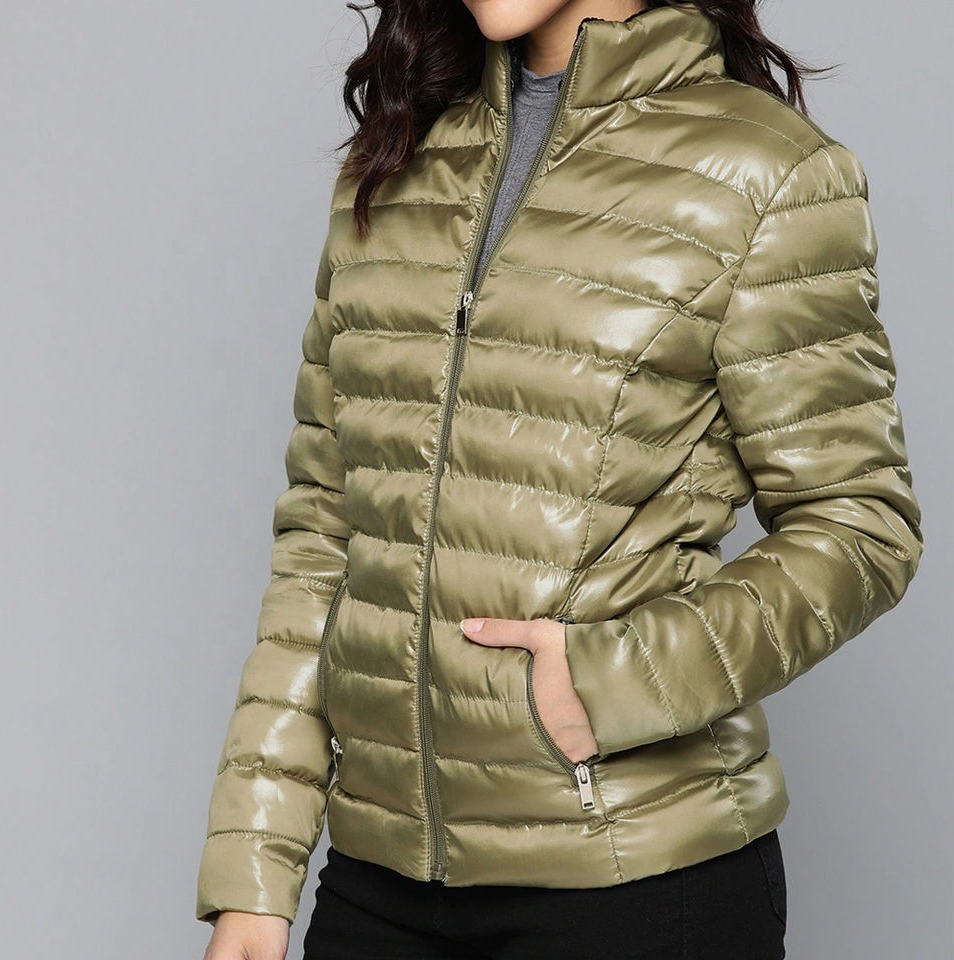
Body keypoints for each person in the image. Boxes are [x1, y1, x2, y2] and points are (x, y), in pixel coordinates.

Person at [196, 1, 925, 958]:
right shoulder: (400, 155)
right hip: (381, 877)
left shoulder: (765, 172)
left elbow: (860, 525)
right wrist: (256, 868)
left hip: (633, 875)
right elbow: (326, 536)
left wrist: (614, 681)